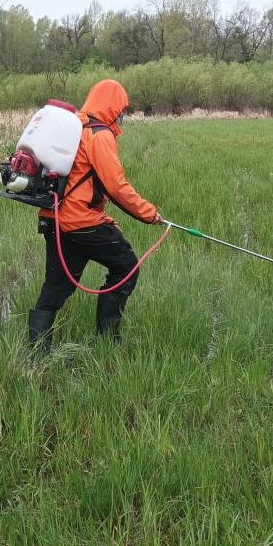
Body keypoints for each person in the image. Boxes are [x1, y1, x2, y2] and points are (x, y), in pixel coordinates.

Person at [29, 79, 162, 357]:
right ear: (112, 106)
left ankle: (37, 353)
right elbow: (116, 187)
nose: (122, 115)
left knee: (55, 288)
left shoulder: (74, 127)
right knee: (126, 267)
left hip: (54, 219)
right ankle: (108, 340)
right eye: (121, 109)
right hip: (82, 223)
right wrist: (149, 213)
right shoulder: (99, 134)